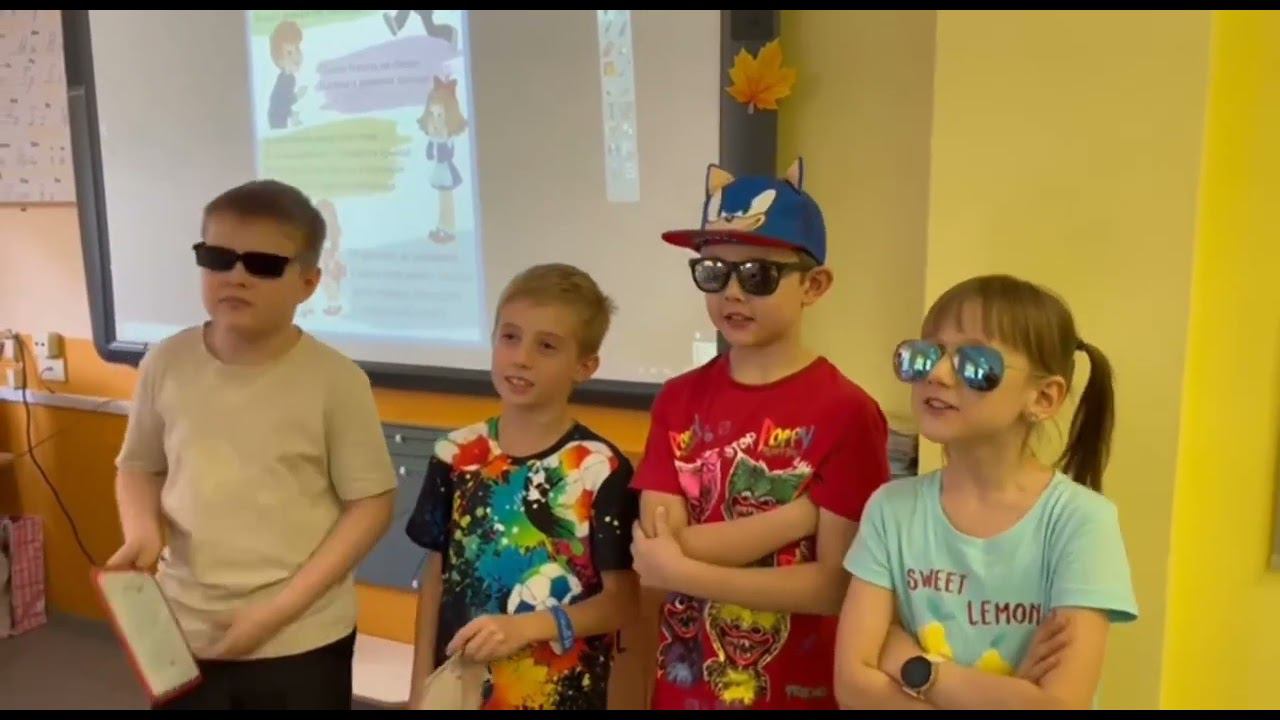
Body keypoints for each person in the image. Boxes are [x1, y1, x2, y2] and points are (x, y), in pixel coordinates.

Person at [108, 179, 397, 709]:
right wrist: (142, 530)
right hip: (183, 627)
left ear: (308, 283)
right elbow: (139, 466)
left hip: (299, 636)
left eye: (263, 265)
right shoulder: (165, 362)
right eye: (218, 258)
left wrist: (275, 612)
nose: (236, 276)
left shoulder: (337, 381)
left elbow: (371, 505)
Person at [628, 159, 892, 710]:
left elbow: (833, 587)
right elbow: (656, 557)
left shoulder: (848, 413)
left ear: (814, 285)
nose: (732, 293)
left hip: (796, 695)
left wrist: (683, 568)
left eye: (757, 275)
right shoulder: (677, 400)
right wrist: (797, 518)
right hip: (685, 690)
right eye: (713, 272)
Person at [834, 274, 1139, 710]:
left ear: (1043, 398)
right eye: (925, 355)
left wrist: (913, 666)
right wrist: (1009, 697)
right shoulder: (891, 509)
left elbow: (1059, 706)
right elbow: (852, 685)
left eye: (975, 364)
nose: (937, 375)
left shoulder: (1081, 521)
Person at [404, 263, 641, 710]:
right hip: (462, 692)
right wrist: (420, 688)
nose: (521, 358)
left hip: (560, 696)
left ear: (585, 366)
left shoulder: (600, 468)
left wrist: (528, 627)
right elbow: (435, 577)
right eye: (510, 337)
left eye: (546, 346)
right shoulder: (457, 454)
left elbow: (622, 602)